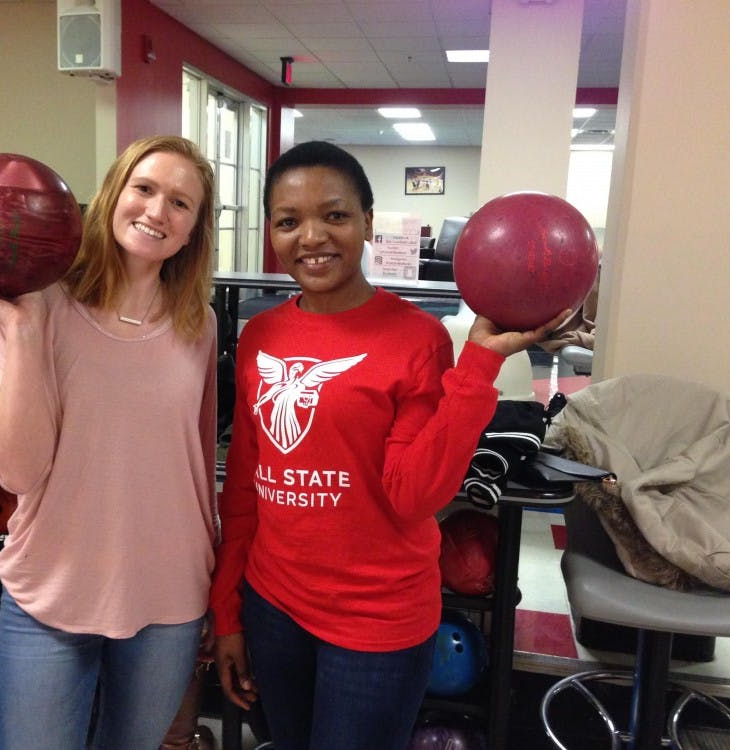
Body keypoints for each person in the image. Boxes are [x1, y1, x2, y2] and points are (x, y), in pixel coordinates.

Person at [209, 140, 571, 750]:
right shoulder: (261, 336)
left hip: (376, 618)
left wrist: (478, 364)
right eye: (289, 221)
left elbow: (414, 496)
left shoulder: (418, 338)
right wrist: (228, 612)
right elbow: (244, 484)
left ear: (368, 222)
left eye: (336, 215)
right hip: (272, 606)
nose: (312, 237)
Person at [0, 135, 219, 750]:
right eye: (144, 189)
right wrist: (25, 328)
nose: (156, 211)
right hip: (52, 585)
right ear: (114, 193)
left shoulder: (199, 322)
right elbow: (17, 469)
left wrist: (212, 583)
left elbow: (198, 460)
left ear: (195, 228)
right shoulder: (36, 301)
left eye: (181, 203)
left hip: (168, 590)